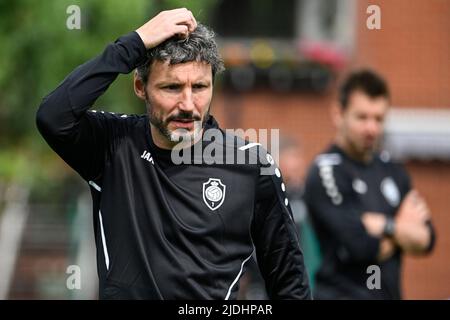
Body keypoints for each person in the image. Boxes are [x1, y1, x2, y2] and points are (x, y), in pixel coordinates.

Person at [36, 8, 311, 299]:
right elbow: (53, 117)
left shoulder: (250, 165)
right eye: (172, 87)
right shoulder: (114, 143)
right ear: (141, 87)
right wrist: (134, 43)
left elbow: (290, 285)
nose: (188, 104)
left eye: (200, 87)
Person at [303, 70, 436, 299]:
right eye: (362, 117)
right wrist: (400, 228)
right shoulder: (327, 171)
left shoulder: (393, 169)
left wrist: (381, 225)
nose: (371, 129)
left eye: (379, 119)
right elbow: (360, 246)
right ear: (338, 114)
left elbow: (427, 239)